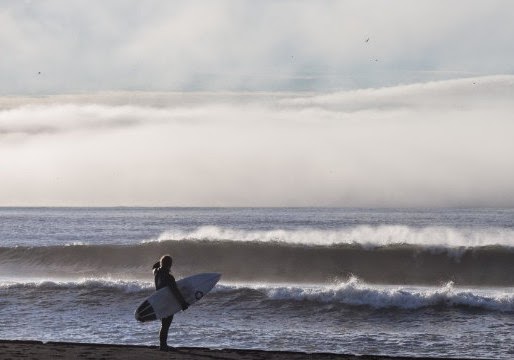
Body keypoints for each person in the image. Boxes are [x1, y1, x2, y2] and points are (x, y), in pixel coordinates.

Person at [152, 255, 189, 351]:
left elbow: (154, 267)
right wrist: (183, 303)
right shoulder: (169, 277)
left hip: (159, 301)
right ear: (170, 264)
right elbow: (175, 291)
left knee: (163, 324)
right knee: (166, 324)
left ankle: (163, 345)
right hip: (167, 302)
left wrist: (160, 263)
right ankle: (163, 346)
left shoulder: (156, 273)